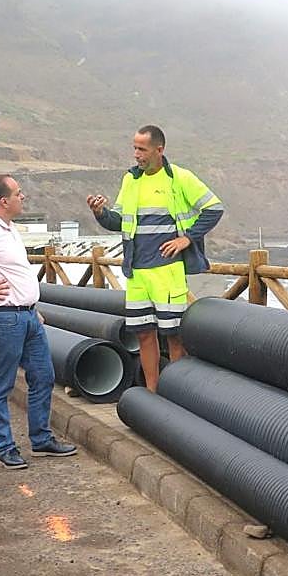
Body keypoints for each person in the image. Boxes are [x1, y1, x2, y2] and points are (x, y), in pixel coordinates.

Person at [87, 125, 223, 392]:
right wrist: (101, 213)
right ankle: (153, 393)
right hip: (137, 273)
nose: (136, 154)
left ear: (159, 150)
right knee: (144, 334)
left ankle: (178, 393)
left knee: (174, 336)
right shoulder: (131, 180)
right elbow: (119, 221)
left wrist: (187, 239)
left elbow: (214, 208)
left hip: (167, 272)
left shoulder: (179, 178)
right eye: (134, 148)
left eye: (142, 149)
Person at [0, 176, 77, 469]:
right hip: (4, 317)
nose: (23, 197)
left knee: (43, 375)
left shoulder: (7, 228)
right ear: (4, 201)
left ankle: (41, 439)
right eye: (18, 193)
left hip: (27, 315)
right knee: (1, 384)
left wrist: (30, 306)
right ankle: (5, 446)